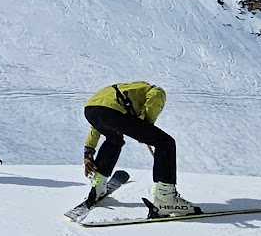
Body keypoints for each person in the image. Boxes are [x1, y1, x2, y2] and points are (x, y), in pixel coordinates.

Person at [83, 81, 199, 217]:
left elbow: (99, 119)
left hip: (90, 109)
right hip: (113, 112)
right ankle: (165, 199)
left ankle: (98, 186)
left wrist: (89, 150)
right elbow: (155, 97)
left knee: (114, 139)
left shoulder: (121, 91)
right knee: (165, 142)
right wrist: (148, 126)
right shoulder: (153, 89)